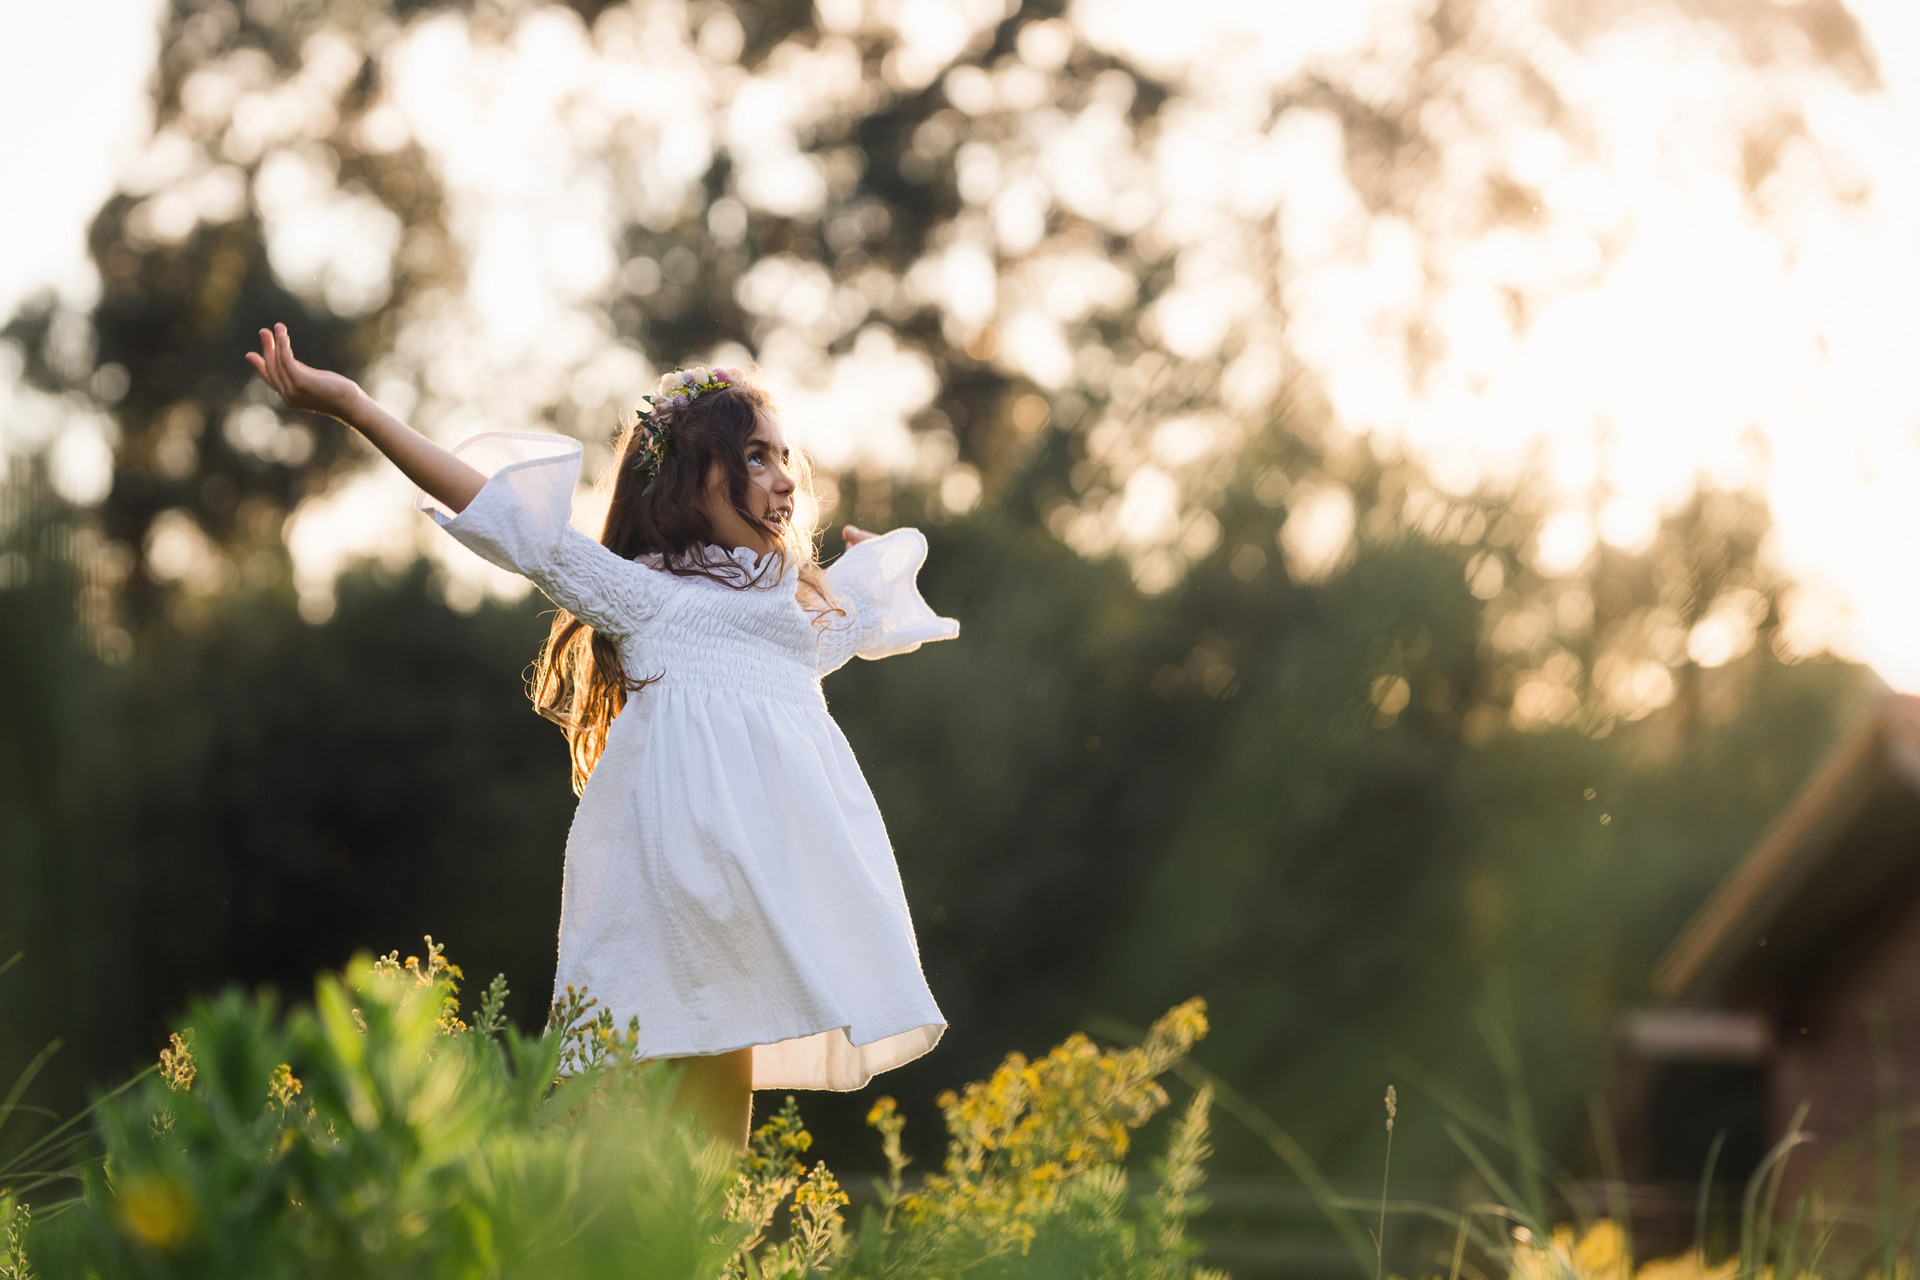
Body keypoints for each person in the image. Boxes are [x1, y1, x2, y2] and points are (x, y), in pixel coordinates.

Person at [246, 323, 956, 1149]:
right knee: (622, 1127)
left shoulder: (791, 623)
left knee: (714, 1152)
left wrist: (863, 575)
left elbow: (861, 614)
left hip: (748, 914)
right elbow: (513, 523)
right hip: (669, 905)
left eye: (783, 456)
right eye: (755, 457)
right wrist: (355, 407)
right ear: (689, 483)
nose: (783, 478)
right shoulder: (647, 599)